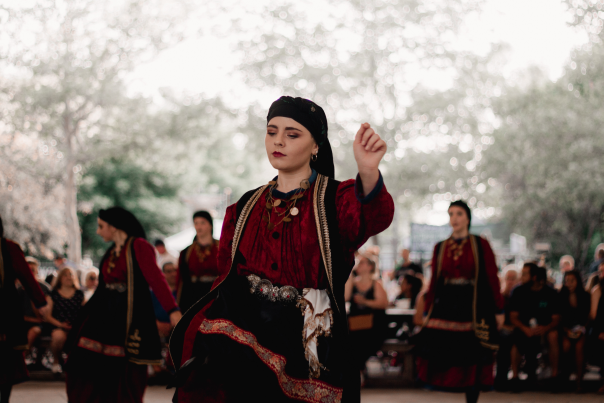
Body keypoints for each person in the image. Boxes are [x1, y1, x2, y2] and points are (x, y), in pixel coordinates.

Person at [169, 96, 394, 402]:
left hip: (307, 337)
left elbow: (373, 218)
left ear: (316, 146)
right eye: (272, 131)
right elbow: (226, 277)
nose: (278, 141)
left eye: (292, 134)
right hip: (246, 332)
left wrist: (368, 173)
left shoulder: (335, 200)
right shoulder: (244, 206)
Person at [64, 207, 181, 403]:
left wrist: (172, 310)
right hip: (103, 314)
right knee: (83, 361)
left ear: (114, 226)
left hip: (127, 316)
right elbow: (103, 288)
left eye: (101, 226)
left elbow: (156, 279)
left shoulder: (139, 246)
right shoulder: (111, 252)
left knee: (123, 368)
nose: (98, 231)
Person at [415, 200, 504, 403]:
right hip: (446, 304)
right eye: (451, 214)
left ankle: (471, 399)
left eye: (459, 214)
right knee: (442, 350)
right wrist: (427, 309)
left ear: (467, 218)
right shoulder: (440, 247)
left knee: (473, 352)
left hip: (473, 304)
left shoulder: (481, 244)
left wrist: (499, 309)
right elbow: (434, 283)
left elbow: (492, 277)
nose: (454, 218)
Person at [0, 215, 49, 403]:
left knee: (6, 360)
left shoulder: (9, 247)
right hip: (6, 308)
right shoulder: (9, 247)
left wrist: (40, 302)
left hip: (5, 310)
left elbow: (27, 277)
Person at [508, 262, 561, 393]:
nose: (522, 277)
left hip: (546, 329)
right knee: (516, 337)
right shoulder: (518, 291)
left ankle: (555, 376)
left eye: (525, 274)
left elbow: (556, 318)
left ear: (534, 277)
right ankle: (515, 377)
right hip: (524, 329)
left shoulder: (550, 292)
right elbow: (513, 316)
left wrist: (545, 328)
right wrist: (525, 328)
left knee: (553, 335)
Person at [345, 254, 388, 382]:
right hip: (355, 325)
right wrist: (349, 275)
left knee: (362, 340)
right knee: (350, 339)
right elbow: (345, 297)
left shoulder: (376, 284)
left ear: (370, 267)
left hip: (372, 326)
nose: (359, 264)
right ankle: (358, 370)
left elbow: (383, 303)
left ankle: (359, 370)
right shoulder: (352, 283)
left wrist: (365, 302)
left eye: (362, 262)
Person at [176, 211, 219, 313]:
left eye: (202, 223)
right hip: (193, 298)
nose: (199, 227)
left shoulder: (222, 249)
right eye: (196, 223)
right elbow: (181, 280)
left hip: (217, 296)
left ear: (210, 225)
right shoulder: (186, 252)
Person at [46, 267, 85, 374]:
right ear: (60, 278)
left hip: (75, 326)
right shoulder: (53, 294)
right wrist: (61, 325)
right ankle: (56, 361)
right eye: (66, 275)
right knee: (59, 337)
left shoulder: (79, 294)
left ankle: (74, 363)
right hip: (58, 324)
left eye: (71, 274)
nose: (69, 277)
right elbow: (47, 316)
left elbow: (85, 313)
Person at [559, 270, 590, 392]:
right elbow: (559, 317)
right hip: (565, 329)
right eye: (567, 281)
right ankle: (564, 377)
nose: (569, 284)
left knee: (579, 347)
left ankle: (579, 380)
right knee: (565, 345)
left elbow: (588, 317)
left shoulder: (585, 296)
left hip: (581, 329)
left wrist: (582, 329)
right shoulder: (561, 296)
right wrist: (566, 330)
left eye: (572, 281)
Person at [494, 266, 519, 391]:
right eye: (508, 278)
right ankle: (502, 379)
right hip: (502, 330)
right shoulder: (499, 298)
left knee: (513, 338)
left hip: (518, 330)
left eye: (513, 279)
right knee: (505, 337)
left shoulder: (521, 297)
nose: (510, 281)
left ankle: (514, 378)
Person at [19, 257, 52, 351]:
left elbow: (44, 316)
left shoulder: (45, 288)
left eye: (32, 269)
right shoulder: (19, 289)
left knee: (33, 331)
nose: (30, 271)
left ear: (37, 270)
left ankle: (24, 358)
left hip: (39, 325)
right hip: (24, 322)